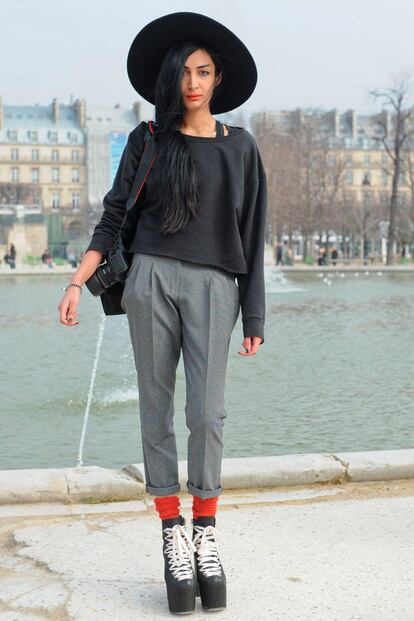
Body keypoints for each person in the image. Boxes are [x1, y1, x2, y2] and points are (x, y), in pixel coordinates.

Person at [57, 11, 267, 615]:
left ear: (218, 78)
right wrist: (77, 280)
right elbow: (115, 214)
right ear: (170, 80)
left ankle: (205, 530)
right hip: (149, 279)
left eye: (204, 72)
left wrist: (254, 317)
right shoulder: (148, 141)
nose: (193, 83)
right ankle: (171, 530)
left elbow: (254, 235)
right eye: (184, 73)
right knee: (156, 408)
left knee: (208, 412)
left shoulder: (241, 148)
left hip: (215, 287)